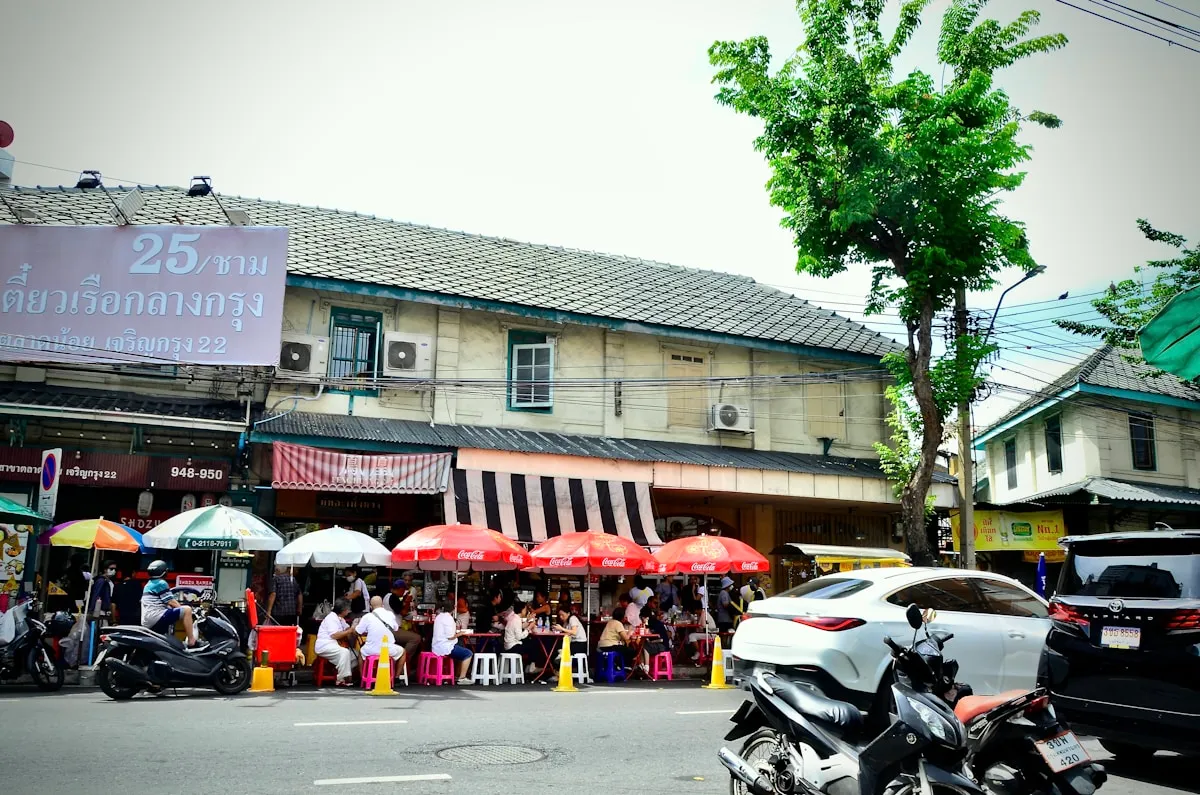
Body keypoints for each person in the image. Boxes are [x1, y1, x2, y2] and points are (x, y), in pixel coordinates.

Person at [140, 560, 196, 647]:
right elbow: (171, 601)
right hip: (156, 616)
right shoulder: (161, 583)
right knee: (187, 610)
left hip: (148, 619)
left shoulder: (149, 584)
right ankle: (191, 641)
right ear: (164, 572)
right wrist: (184, 610)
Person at [314, 599, 359, 686]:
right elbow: (334, 635)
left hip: (335, 645)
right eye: (347, 610)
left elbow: (347, 629)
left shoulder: (341, 619)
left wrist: (353, 628)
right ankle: (341, 679)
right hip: (326, 645)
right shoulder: (331, 618)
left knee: (356, 656)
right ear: (343, 611)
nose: (349, 611)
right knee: (344, 652)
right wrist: (349, 631)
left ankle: (339, 671)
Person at [382, 579, 423, 671]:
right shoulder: (393, 598)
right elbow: (403, 612)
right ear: (400, 589)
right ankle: (403, 659)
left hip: (388, 628)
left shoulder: (387, 596)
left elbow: (399, 607)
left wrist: (404, 600)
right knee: (416, 638)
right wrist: (408, 601)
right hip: (392, 629)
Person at [356, 596, 404, 671]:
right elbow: (396, 628)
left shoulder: (367, 616)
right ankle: (397, 677)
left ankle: (362, 677)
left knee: (361, 652)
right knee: (403, 652)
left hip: (371, 650)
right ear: (382, 605)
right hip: (388, 650)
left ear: (370, 606)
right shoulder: (390, 614)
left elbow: (358, 631)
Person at [432, 599, 473, 682]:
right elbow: (450, 637)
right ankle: (462, 677)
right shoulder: (448, 618)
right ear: (454, 608)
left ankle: (455, 674)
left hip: (436, 646)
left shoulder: (439, 616)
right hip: (445, 647)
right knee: (468, 653)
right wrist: (460, 633)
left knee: (460, 647)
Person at [501, 607, 543, 674]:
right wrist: (529, 628)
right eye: (525, 610)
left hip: (508, 646)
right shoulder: (516, 620)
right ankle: (531, 667)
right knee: (534, 645)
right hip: (513, 647)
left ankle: (528, 667)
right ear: (522, 610)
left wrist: (528, 621)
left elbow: (520, 627)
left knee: (530, 642)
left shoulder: (513, 618)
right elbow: (519, 637)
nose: (526, 611)